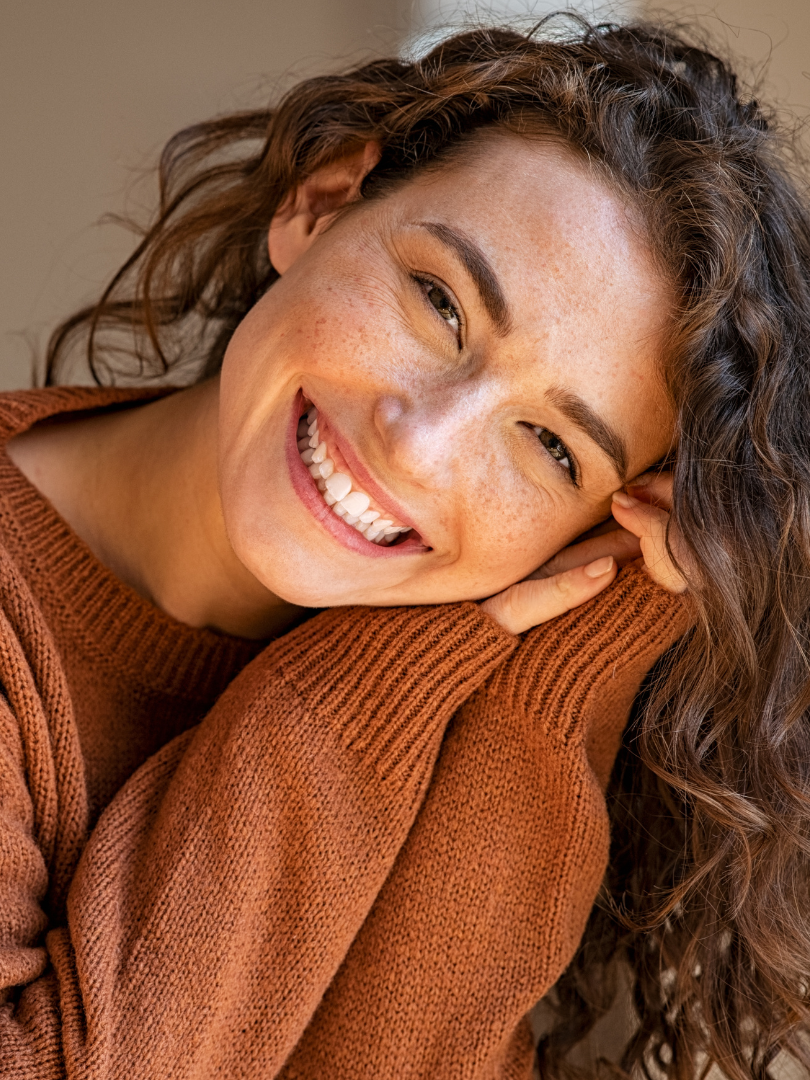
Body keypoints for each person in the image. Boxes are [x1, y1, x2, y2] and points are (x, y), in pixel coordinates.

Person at [0, 15, 806, 1080]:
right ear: (321, 203)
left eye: (552, 448)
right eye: (438, 303)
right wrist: (341, 707)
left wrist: (567, 671)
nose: (422, 446)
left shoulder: (470, 697)